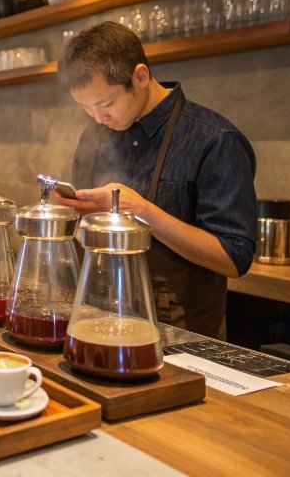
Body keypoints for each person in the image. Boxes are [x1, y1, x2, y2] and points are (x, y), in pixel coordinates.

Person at [55, 21, 257, 339]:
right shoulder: (95, 135)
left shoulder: (215, 140)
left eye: (105, 103)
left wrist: (142, 210)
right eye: (86, 107)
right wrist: (70, 209)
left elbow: (234, 257)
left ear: (140, 76)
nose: (97, 118)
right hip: (98, 319)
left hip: (182, 336)